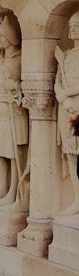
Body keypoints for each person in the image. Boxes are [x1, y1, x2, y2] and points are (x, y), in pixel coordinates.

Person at [0, 14, 29, 206]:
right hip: (0, 110)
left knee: (13, 153)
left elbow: (33, 85)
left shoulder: (21, 58)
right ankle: (1, 187)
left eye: (0, 35)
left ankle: (13, 192)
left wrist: (16, 86)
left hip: (14, 111)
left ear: (9, 37)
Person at [55, 12, 79, 215]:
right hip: (67, 109)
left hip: (77, 108)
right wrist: (63, 98)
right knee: (71, 156)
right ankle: (77, 200)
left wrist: (67, 94)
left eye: (77, 25)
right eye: (71, 26)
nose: (73, 29)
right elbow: (57, 82)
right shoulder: (66, 55)